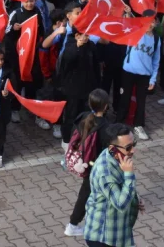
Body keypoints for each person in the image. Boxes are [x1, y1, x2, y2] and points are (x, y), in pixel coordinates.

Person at [64, 89, 111, 239]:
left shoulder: (83, 118)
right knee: (87, 194)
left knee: (90, 192)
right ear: (105, 106)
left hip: (85, 162)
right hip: (97, 167)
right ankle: (73, 225)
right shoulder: (106, 126)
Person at [83, 123, 140, 247]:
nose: (133, 150)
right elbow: (121, 204)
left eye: (134, 144)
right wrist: (129, 173)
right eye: (128, 147)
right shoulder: (105, 172)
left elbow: (121, 186)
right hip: (104, 238)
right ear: (112, 147)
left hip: (117, 233)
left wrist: (136, 199)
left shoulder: (116, 156)